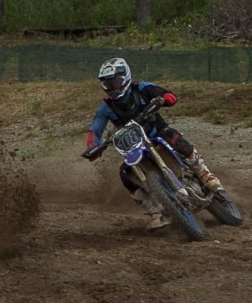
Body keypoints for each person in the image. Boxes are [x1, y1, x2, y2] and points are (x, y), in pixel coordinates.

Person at [82, 57, 221, 229]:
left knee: (176, 140)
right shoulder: (106, 107)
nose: (113, 88)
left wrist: (163, 100)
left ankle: (205, 175)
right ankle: (155, 210)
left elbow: (170, 95)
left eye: (115, 82)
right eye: (108, 84)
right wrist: (93, 147)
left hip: (158, 132)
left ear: (125, 78)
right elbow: (94, 131)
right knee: (125, 173)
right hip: (136, 147)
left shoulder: (142, 88)